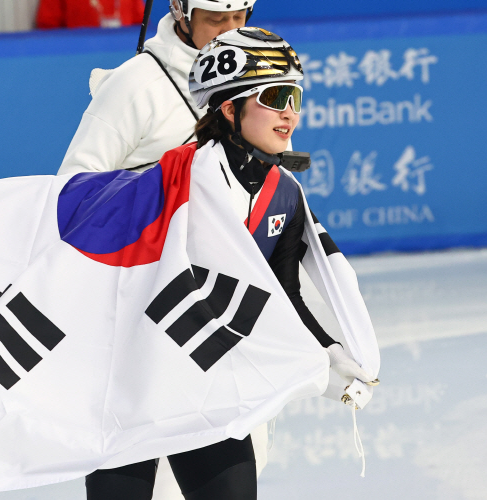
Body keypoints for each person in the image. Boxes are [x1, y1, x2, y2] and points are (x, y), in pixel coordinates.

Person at [83, 27, 376, 500]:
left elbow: (283, 295)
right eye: (276, 95)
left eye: (296, 97)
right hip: (129, 388)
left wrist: (328, 351)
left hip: (205, 389)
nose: (290, 112)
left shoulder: (284, 194)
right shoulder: (172, 182)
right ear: (229, 107)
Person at [57, 0, 253, 176]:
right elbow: (73, 184)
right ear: (181, 13)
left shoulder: (258, 79)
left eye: (238, 17)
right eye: (216, 20)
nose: (230, 31)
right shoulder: (133, 84)